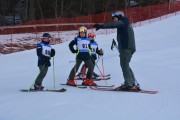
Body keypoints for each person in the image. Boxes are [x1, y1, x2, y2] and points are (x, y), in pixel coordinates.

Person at [93, 11, 140, 91]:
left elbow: (114, 25)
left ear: (119, 16)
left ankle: (129, 84)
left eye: (115, 18)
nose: (114, 20)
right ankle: (131, 83)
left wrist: (102, 26)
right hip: (126, 48)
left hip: (126, 48)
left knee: (124, 65)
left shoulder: (124, 21)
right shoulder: (123, 24)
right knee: (126, 65)